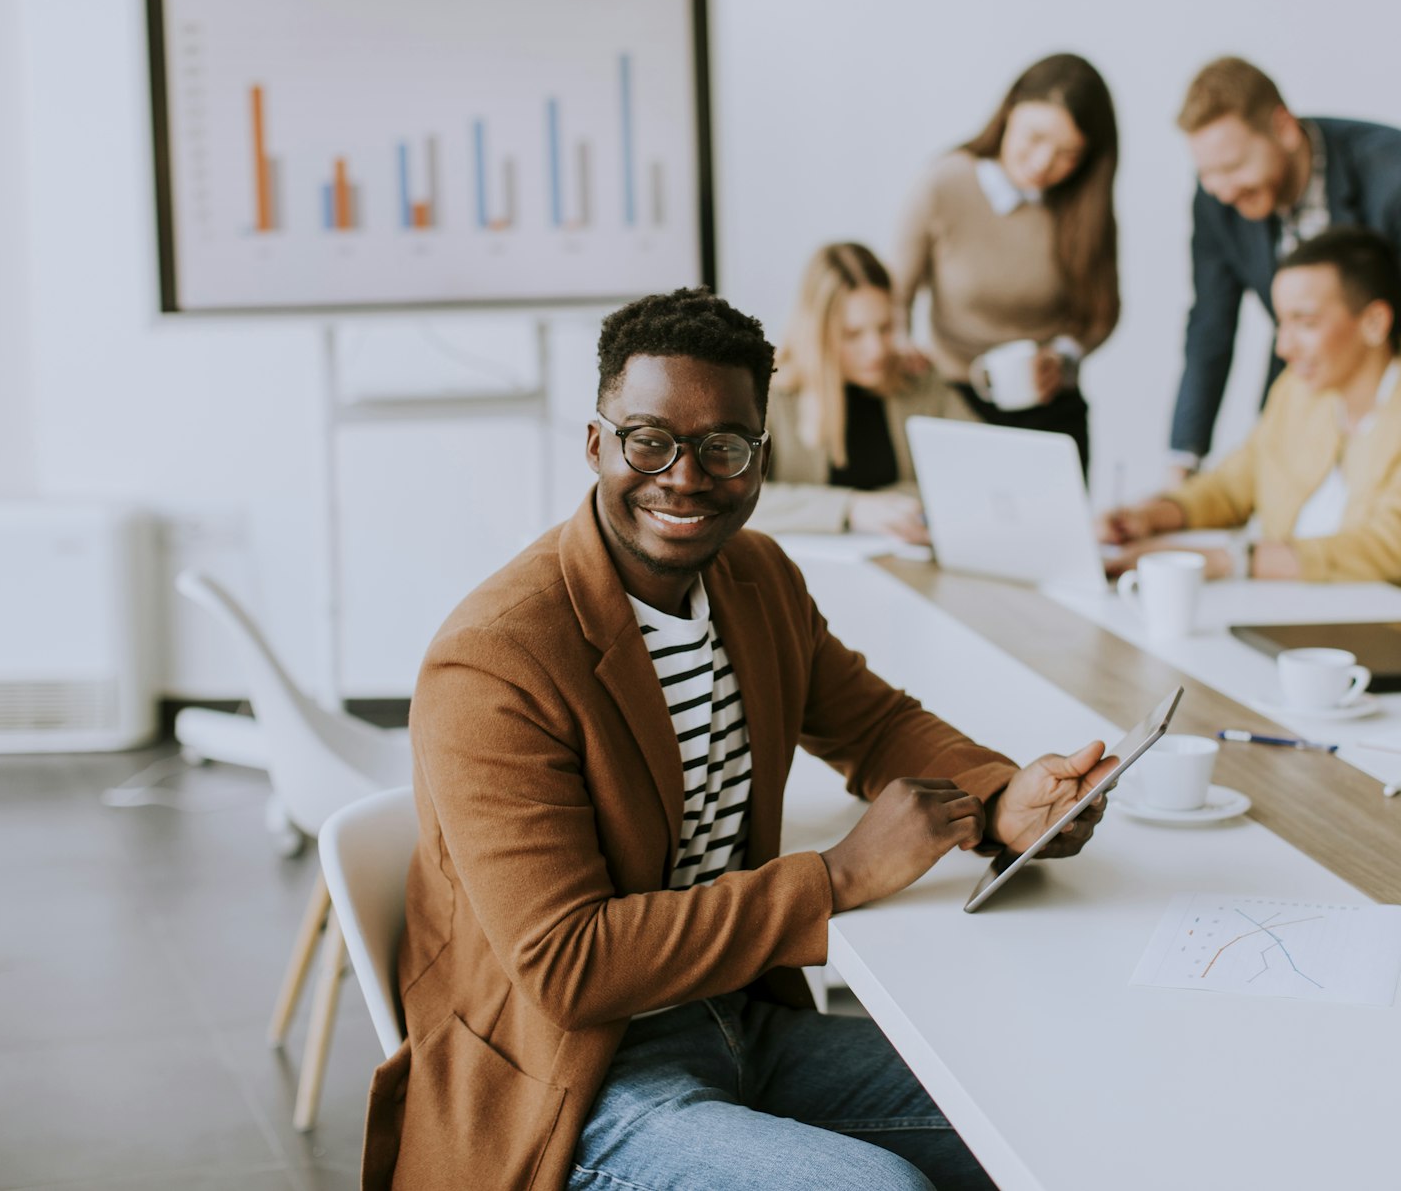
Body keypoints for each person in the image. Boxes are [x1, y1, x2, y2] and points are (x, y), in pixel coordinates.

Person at [363, 288, 1120, 1191]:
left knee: (1050, 1114)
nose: (685, 476)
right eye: (650, 440)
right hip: (570, 1081)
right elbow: (568, 966)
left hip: (736, 1018)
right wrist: (836, 878)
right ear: (597, 442)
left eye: (724, 445)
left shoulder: (755, 577)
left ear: (761, 456)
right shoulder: (496, 659)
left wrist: (1000, 799)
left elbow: (875, 724)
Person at [1102, 227, 1401, 625]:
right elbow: (1233, 486)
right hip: (1299, 619)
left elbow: (1388, 548)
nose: (1284, 347)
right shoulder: (1299, 391)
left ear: (1374, 323)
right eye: (1281, 323)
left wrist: (1227, 560)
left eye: (1305, 323)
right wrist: (1150, 517)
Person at [1167, 56, 1401, 481]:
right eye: (1207, 174)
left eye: (1233, 167)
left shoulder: (1400, 172)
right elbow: (1210, 327)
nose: (1222, 190)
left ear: (1283, 129)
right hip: (1319, 383)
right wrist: (1183, 460)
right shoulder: (1217, 200)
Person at [891, 53, 1120, 470]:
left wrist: (1063, 356)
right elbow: (894, 295)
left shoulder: (1084, 205)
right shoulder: (945, 183)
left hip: (1050, 411)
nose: (1042, 164)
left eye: (1067, 153)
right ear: (1010, 110)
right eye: (1034, 138)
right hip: (954, 404)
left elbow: (1101, 312)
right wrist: (901, 343)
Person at [761, 242, 977, 541]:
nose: (876, 350)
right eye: (852, 334)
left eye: (885, 328)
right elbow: (729, 501)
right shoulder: (767, 393)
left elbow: (980, 468)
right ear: (817, 333)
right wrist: (851, 507)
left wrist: (895, 503)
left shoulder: (919, 381)